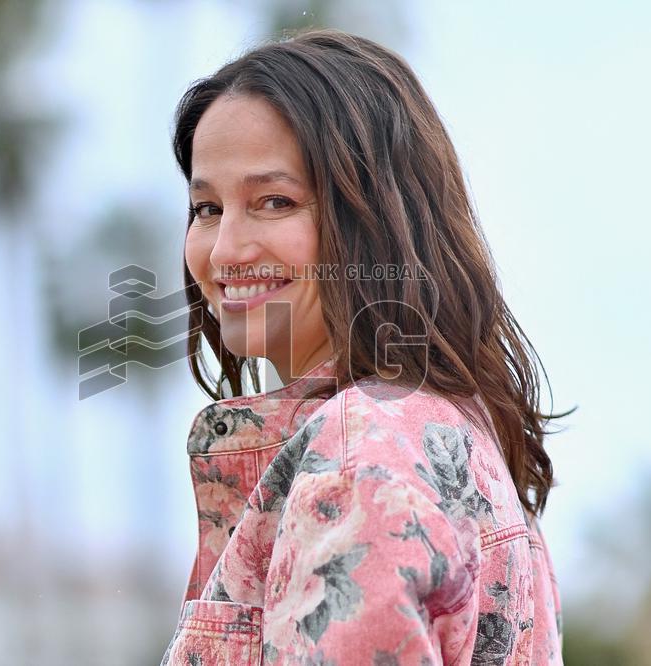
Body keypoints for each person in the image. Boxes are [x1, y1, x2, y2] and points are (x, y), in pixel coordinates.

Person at [161, 28, 574, 665]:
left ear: (378, 217)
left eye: (275, 202)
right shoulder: (439, 429)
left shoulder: (360, 454)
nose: (224, 251)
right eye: (208, 207)